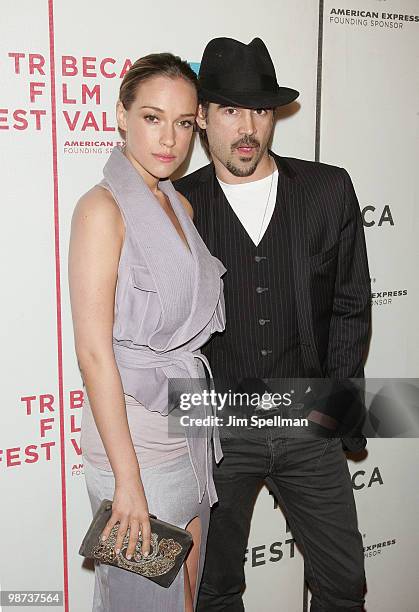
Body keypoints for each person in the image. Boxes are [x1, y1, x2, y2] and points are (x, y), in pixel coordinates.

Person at [174, 37, 371, 611]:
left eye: (260, 110)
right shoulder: (178, 205)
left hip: (308, 417)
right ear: (203, 118)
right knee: (213, 587)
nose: (248, 128)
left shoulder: (327, 189)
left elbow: (351, 306)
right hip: (216, 428)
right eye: (231, 110)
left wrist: (338, 411)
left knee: (342, 582)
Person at [68, 53, 226, 612]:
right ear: (121, 116)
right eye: (153, 118)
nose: (170, 139)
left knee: (187, 594)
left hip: (187, 428)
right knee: (142, 603)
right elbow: (94, 352)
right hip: (131, 444)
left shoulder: (179, 204)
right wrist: (126, 485)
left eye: (184, 123)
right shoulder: (101, 210)